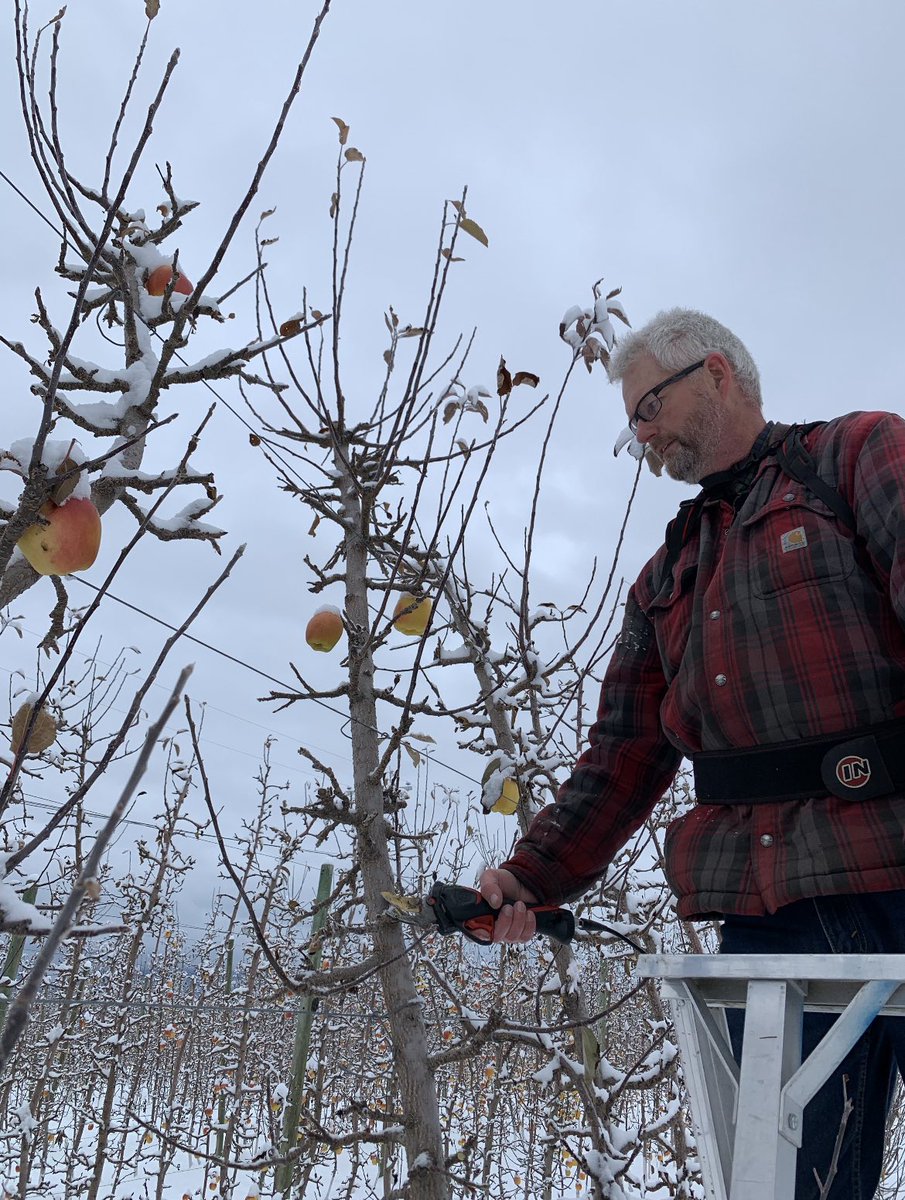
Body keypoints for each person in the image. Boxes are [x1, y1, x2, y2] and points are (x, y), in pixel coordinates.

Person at [479, 308, 905, 1200]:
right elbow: (621, 758)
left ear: (715, 373)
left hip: (898, 864)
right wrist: (529, 878)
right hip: (773, 919)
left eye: (646, 409)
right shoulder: (666, 572)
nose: (639, 436)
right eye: (630, 422)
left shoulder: (857, 456)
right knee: (795, 1186)